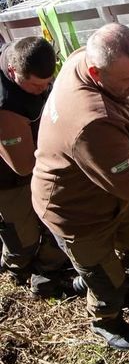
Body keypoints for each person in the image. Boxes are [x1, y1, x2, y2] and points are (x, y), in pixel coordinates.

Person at [32, 24, 129, 350]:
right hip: (77, 213)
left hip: (109, 189)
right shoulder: (91, 121)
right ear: (96, 71)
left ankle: (121, 274)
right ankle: (105, 320)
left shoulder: (82, 60)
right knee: (106, 280)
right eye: (127, 79)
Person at [0, 37, 69, 294]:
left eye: (48, 83)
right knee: (22, 238)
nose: (44, 89)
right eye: (36, 86)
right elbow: (22, 166)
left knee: (56, 221)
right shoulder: (5, 103)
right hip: (8, 175)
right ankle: (16, 266)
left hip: (37, 156)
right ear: (12, 72)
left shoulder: (24, 54)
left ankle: (48, 271)